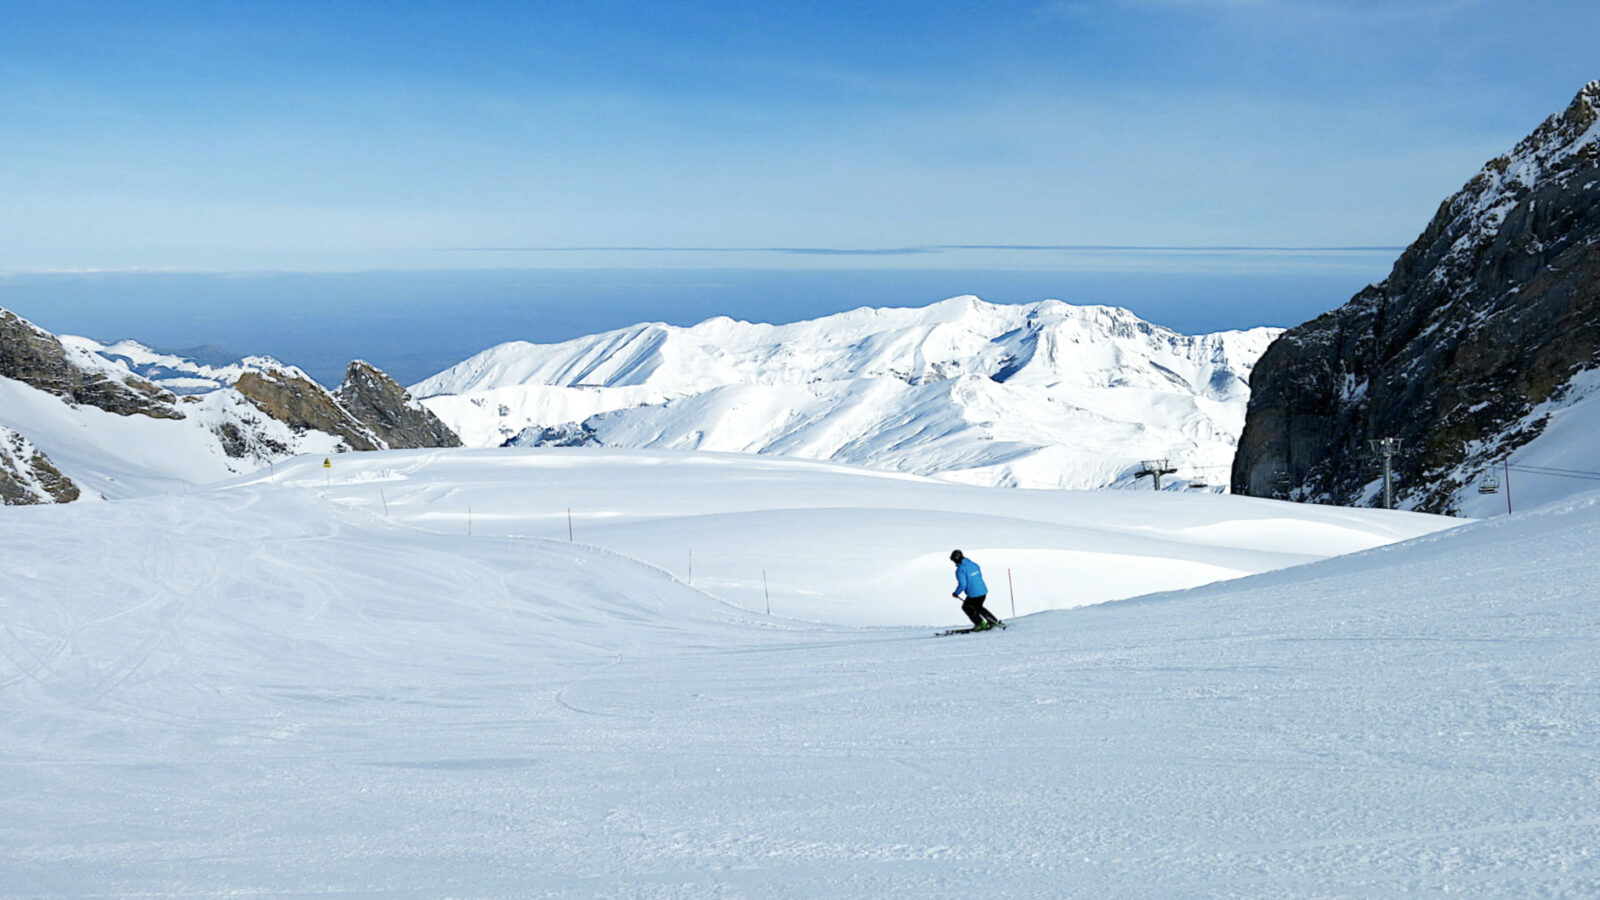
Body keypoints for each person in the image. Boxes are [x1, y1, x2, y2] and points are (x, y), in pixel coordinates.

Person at [950, 549, 1002, 630]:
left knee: (966, 607)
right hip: (983, 591)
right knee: (978, 607)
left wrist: (956, 593)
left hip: (974, 594)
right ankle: (993, 621)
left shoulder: (960, 570)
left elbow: (963, 584)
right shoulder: (974, 564)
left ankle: (980, 624)